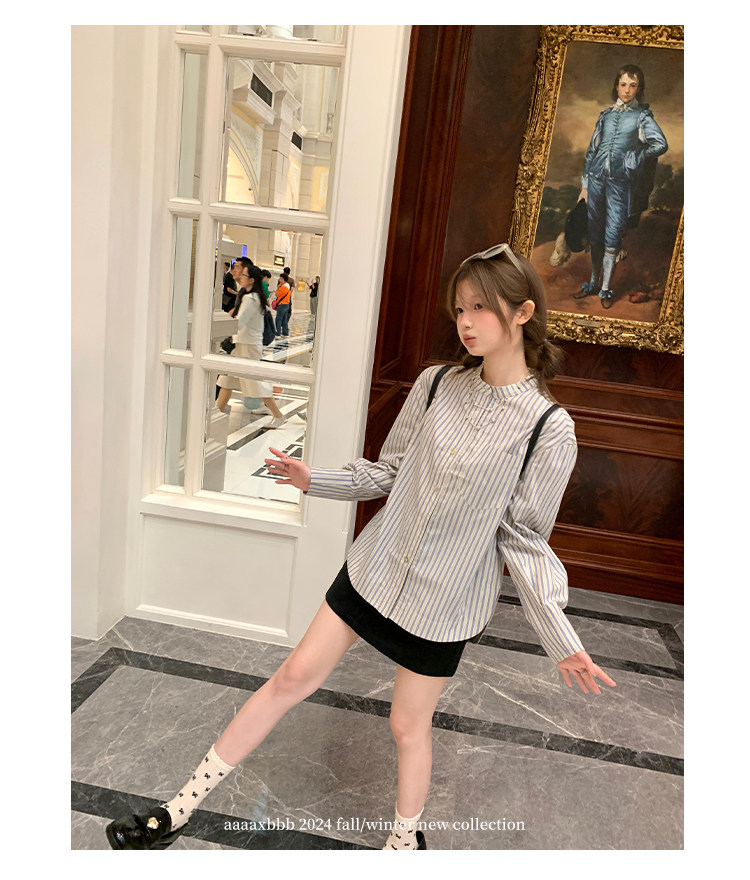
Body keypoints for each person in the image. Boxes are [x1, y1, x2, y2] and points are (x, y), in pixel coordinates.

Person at [105, 244, 616, 852]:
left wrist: (560, 636)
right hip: (375, 569)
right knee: (293, 676)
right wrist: (313, 478)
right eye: (459, 308)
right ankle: (179, 808)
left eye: (481, 307)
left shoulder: (548, 429)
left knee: (407, 725)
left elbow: (525, 539)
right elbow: (388, 472)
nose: (466, 322)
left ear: (524, 312)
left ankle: (404, 844)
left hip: (444, 603)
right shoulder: (435, 384)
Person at [573, 64, 668, 309]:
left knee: (613, 233)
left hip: (620, 184)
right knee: (595, 232)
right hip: (596, 181)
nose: (627, 90)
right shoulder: (605, 115)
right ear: (617, 86)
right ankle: (593, 282)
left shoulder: (642, 117)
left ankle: (605, 289)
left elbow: (660, 143)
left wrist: (637, 155)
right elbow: (592, 151)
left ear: (639, 89)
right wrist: (585, 186)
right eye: (623, 84)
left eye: (632, 85)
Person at [215, 258, 286, 429]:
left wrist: (223, 323)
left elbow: (239, 322)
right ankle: (214, 413)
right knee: (227, 381)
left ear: (252, 280)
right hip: (244, 345)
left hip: (247, 347)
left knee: (254, 384)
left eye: (244, 275)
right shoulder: (252, 297)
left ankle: (279, 416)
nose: (240, 277)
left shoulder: (251, 299)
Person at [274, 272, 292, 337]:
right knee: (284, 319)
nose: (279, 279)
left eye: (281, 278)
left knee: (278, 319)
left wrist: (278, 287)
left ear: (284, 280)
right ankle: (285, 333)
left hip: (282, 304)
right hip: (287, 304)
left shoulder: (283, 287)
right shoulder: (288, 286)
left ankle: (278, 333)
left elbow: (277, 294)